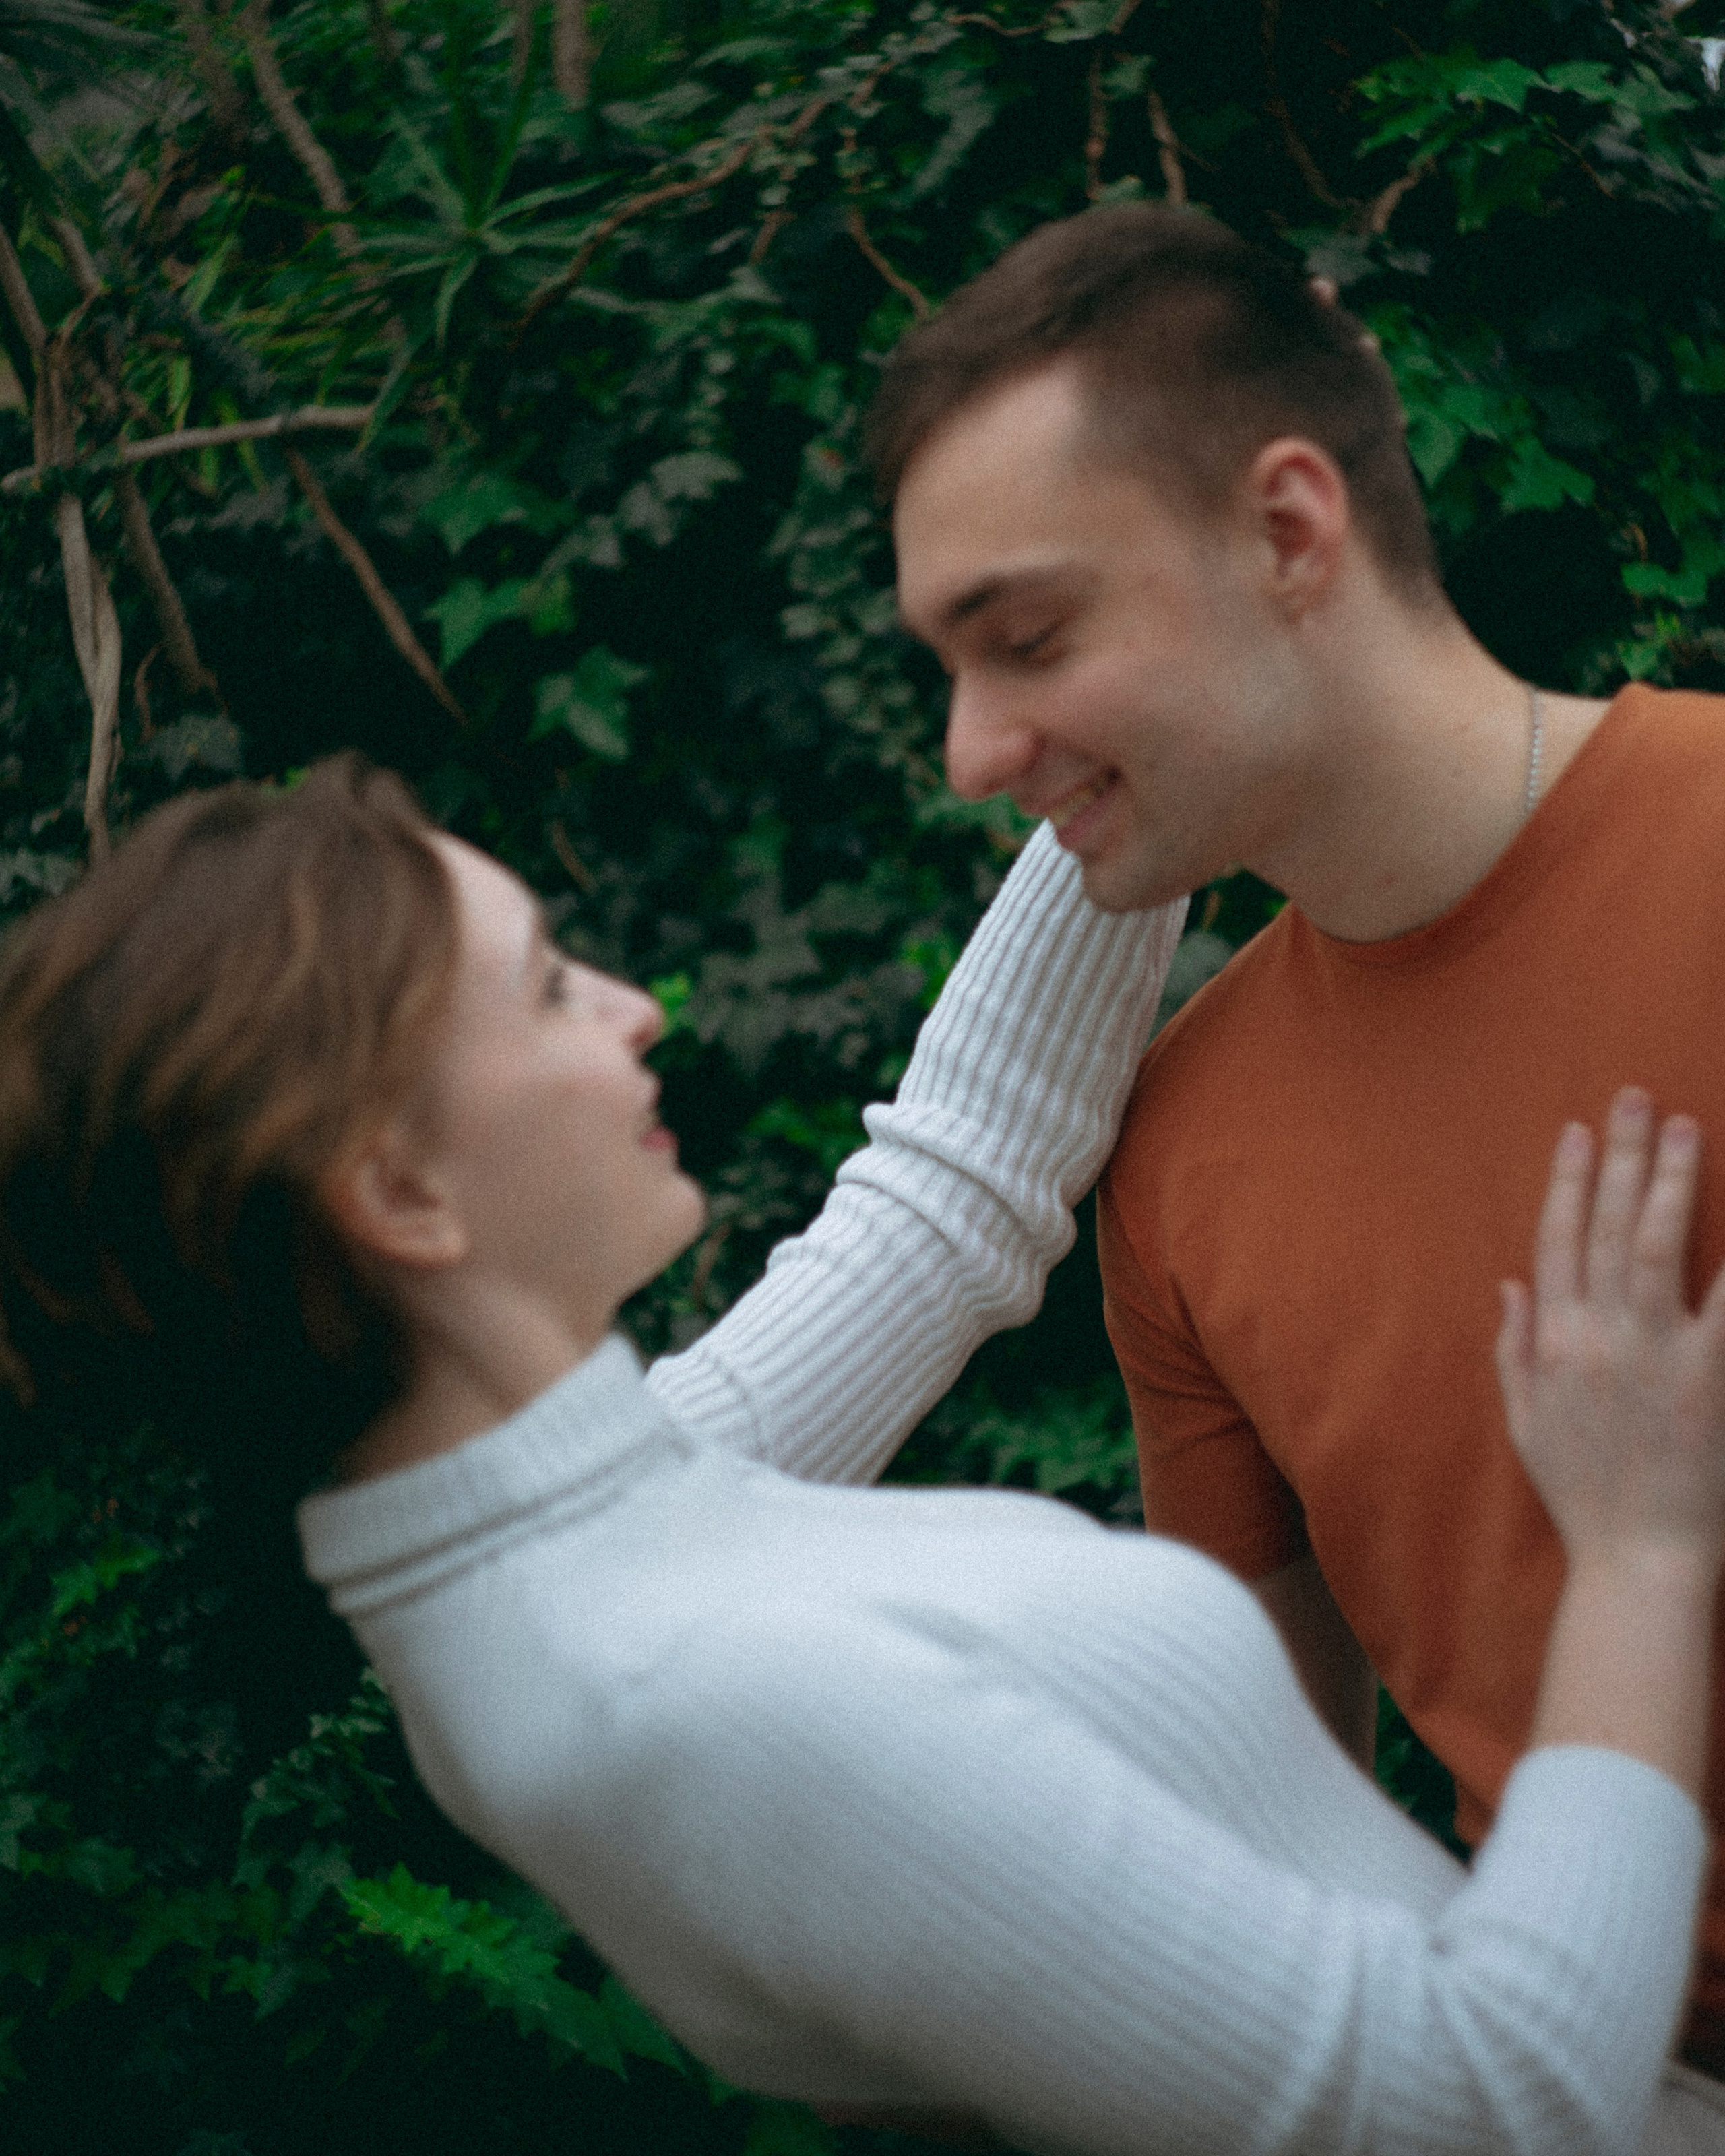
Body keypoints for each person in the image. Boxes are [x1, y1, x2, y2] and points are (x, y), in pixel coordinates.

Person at [0, 759, 1720, 2155]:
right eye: (544, 989)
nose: (631, 1011)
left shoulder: (574, 1533)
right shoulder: (691, 1703)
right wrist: (1636, 1550)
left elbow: (948, 1194)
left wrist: (1157, 745)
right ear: (400, 1198)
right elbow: (1503, 2106)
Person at [873, 201, 1725, 2113]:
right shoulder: (1178, 1147)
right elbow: (1283, 1821)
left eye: (1025, 639)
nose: (968, 750)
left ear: (1285, 532)